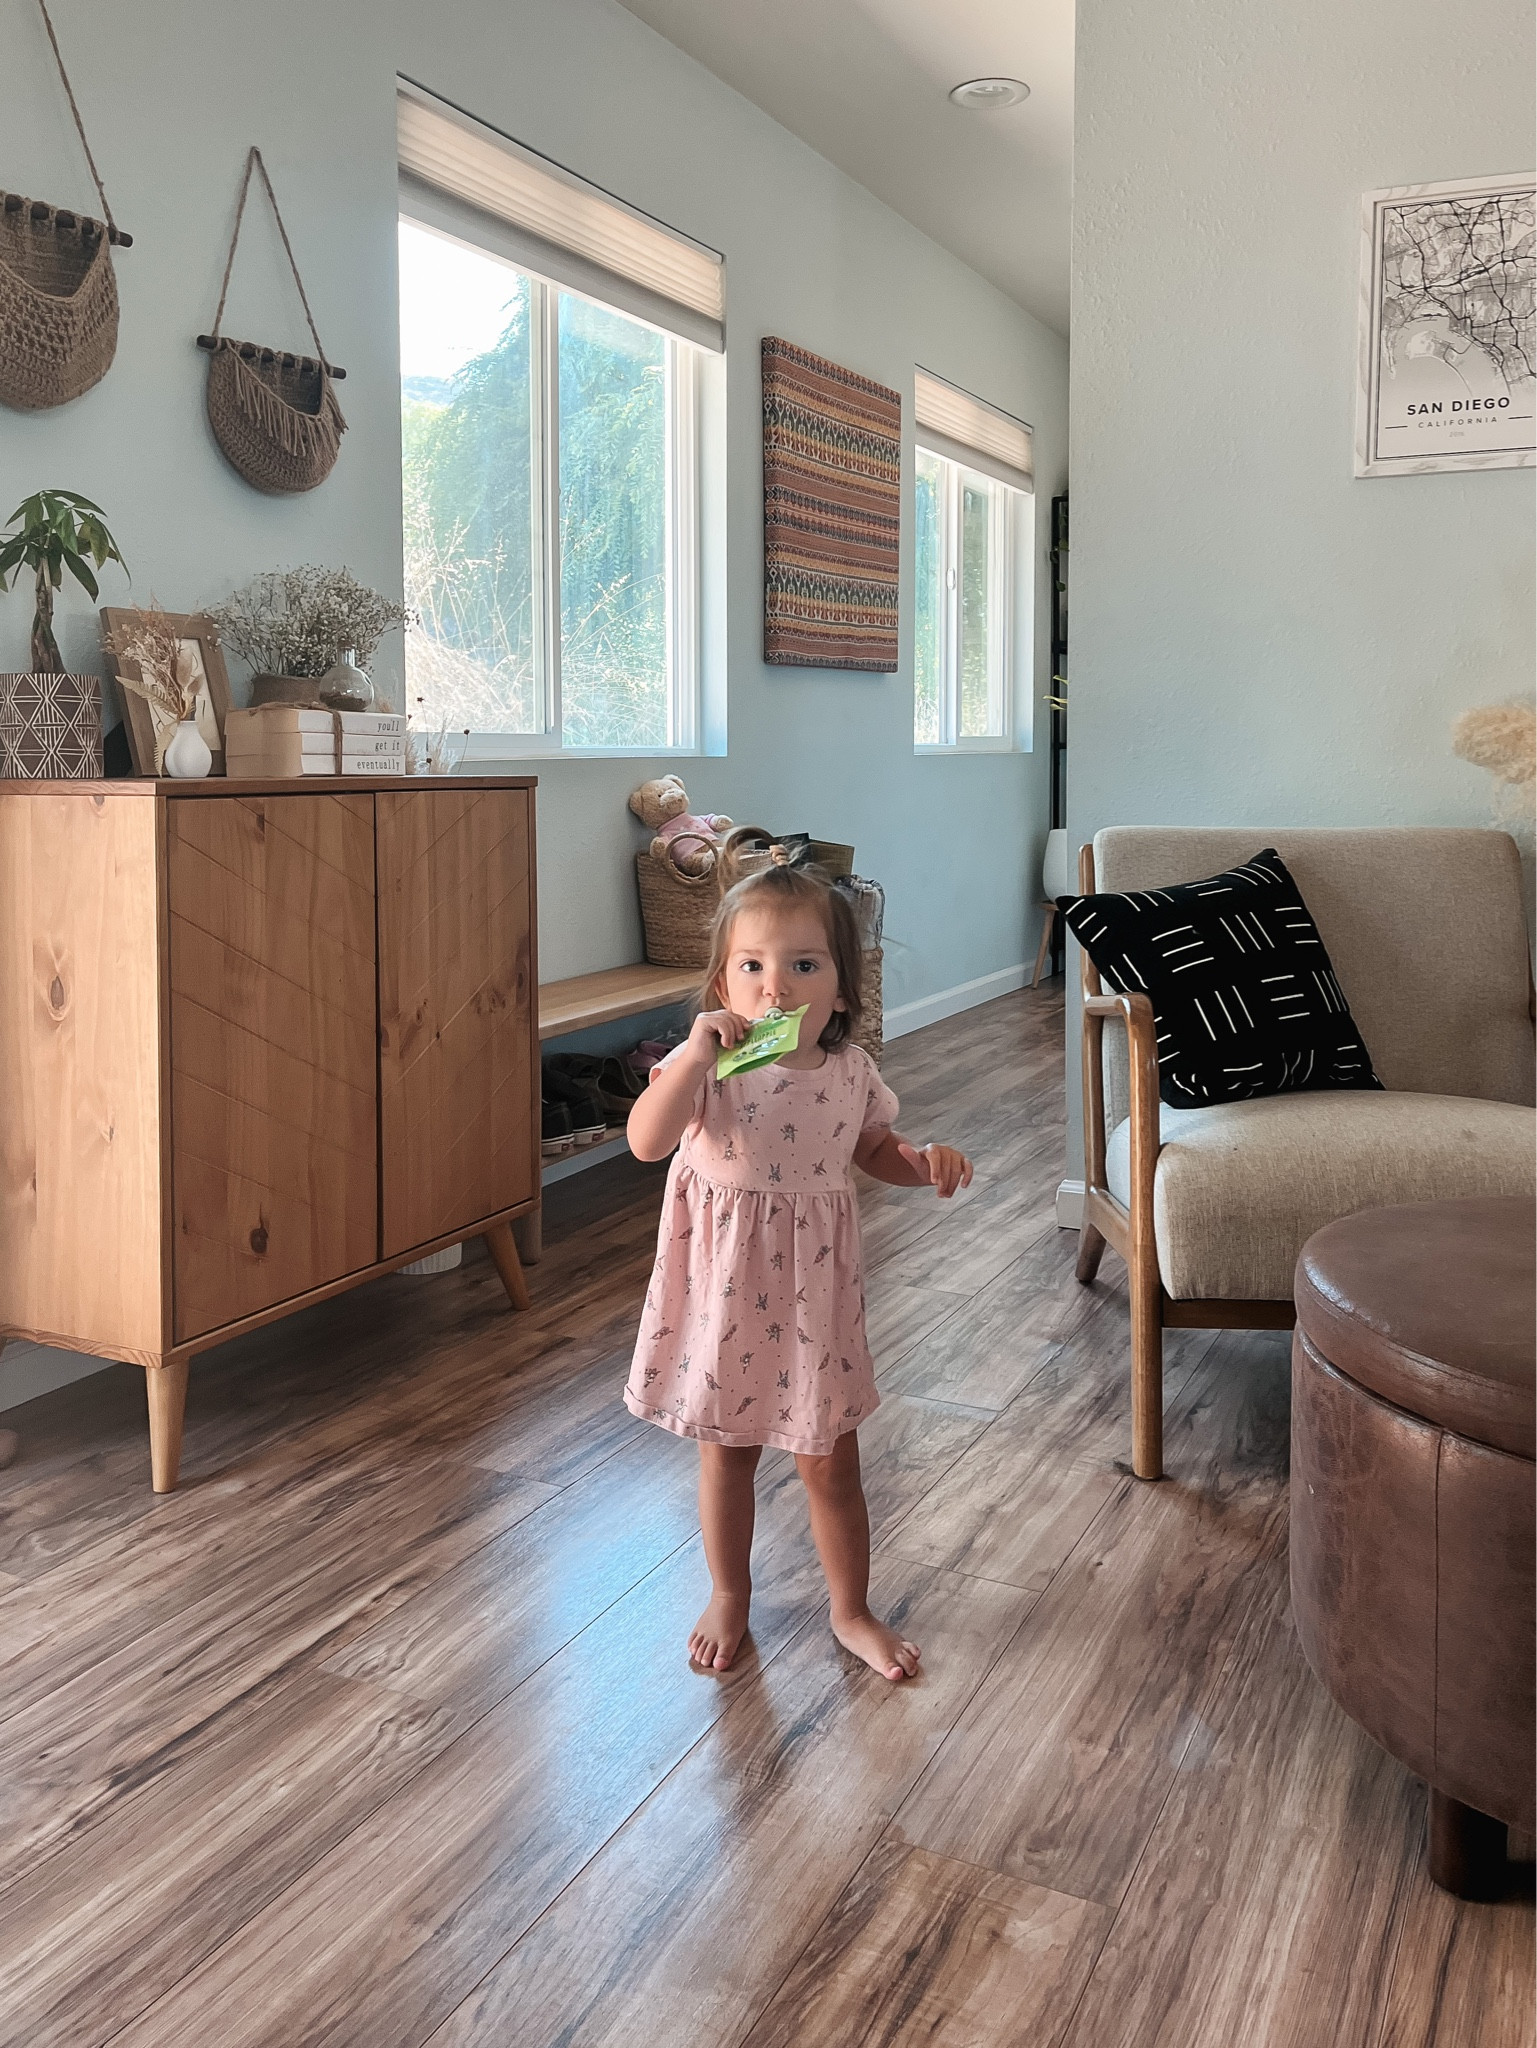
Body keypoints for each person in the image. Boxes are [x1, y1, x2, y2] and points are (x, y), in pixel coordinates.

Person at [625, 845, 973, 1681]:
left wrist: (921, 1160)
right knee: (728, 1450)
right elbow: (645, 1141)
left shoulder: (851, 1073)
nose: (773, 986)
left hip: (815, 1292)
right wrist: (695, 1058)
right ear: (722, 988)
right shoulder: (704, 1069)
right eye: (750, 966)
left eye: (802, 964)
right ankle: (728, 1594)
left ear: (843, 992)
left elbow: (872, 1148)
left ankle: (850, 1609)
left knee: (829, 1459)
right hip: (726, 1292)